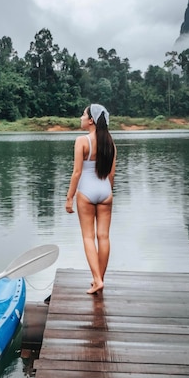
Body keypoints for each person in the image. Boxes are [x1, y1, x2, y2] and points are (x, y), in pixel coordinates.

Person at [65, 103, 117, 294]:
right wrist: (107, 193)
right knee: (103, 237)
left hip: (86, 192)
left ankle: (96, 279)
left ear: (91, 120)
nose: (80, 117)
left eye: (83, 114)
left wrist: (69, 197)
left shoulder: (82, 141)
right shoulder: (110, 143)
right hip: (105, 191)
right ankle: (99, 279)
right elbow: (111, 175)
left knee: (88, 236)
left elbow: (77, 172)